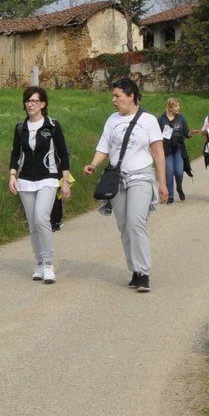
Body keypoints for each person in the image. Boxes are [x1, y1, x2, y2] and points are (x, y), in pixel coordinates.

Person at [83, 77, 166, 292]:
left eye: (117, 96)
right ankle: (135, 270)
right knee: (124, 227)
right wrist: (93, 164)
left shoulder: (148, 120)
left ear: (131, 96)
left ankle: (144, 272)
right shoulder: (112, 120)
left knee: (136, 222)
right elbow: (104, 147)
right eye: (113, 96)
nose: (114, 100)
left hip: (141, 176)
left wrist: (163, 183)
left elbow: (158, 153)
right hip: (117, 179)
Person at [7, 86, 73, 284]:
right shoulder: (21, 128)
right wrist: (12, 175)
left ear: (43, 104)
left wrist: (66, 182)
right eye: (28, 100)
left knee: (41, 218)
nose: (30, 104)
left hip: (48, 178)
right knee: (33, 225)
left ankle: (49, 264)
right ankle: (38, 262)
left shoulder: (53, 126)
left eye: (35, 101)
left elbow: (62, 153)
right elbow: (15, 154)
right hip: (26, 180)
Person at [157, 97, 192, 204]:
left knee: (178, 172)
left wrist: (191, 133)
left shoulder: (181, 118)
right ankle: (170, 195)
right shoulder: (161, 119)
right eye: (176, 106)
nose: (178, 107)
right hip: (166, 150)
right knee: (169, 172)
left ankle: (179, 187)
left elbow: (186, 133)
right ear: (170, 108)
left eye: (178, 105)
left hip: (178, 148)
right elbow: (156, 135)